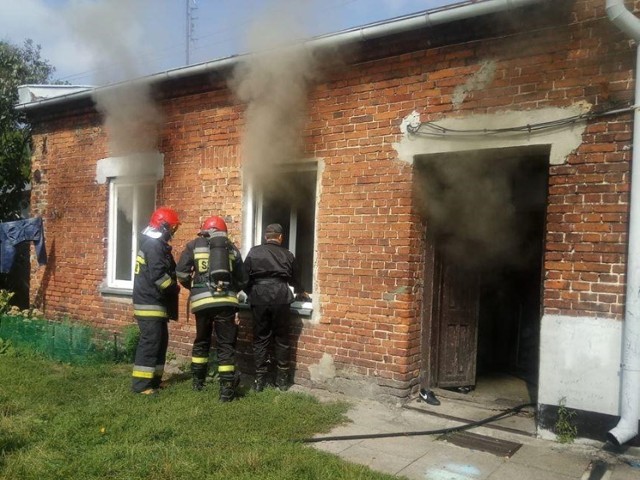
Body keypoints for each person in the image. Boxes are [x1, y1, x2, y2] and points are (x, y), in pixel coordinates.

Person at [176, 215, 249, 402]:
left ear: (204, 230)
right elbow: (243, 280)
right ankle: (226, 390)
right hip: (226, 302)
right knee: (226, 345)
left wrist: (194, 288)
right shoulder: (231, 248)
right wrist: (230, 289)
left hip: (201, 303)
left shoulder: (193, 245)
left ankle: (197, 382)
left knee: (202, 341)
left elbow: (182, 273)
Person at [243, 223, 310, 392]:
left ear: (266, 237)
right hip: (281, 296)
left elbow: (243, 278)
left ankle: (259, 380)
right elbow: (295, 279)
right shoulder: (288, 254)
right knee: (282, 338)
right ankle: (282, 381)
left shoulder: (253, 252)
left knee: (260, 338)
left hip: (259, 297)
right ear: (280, 237)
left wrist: (251, 292)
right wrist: (301, 291)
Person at [131, 207, 181, 395]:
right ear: (163, 226)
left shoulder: (155, 244)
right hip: (149, 302)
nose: (173, 232)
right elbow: (159, 277)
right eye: (173, 228)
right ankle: (141, 385)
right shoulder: (154, 246)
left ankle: (155, 380)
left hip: (155, 303)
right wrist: (174, 287)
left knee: (161, 341)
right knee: (151, 342)